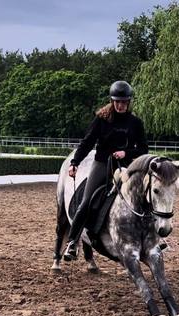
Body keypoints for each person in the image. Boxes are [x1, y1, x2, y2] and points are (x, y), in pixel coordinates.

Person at [64, 80, 148, 261]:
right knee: (86, 202)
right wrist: (75, 162)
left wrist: (126, 152)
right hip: (102, 164)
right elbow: (87, 142)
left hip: (127, 166)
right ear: (112, 101)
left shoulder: (135, 123)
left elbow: (143, 149)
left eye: (124, 102)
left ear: (128, 102)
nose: (120, 105)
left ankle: (153, 238)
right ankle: (72, 241)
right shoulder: (101, 119)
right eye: (117, 102)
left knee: (144, 197)